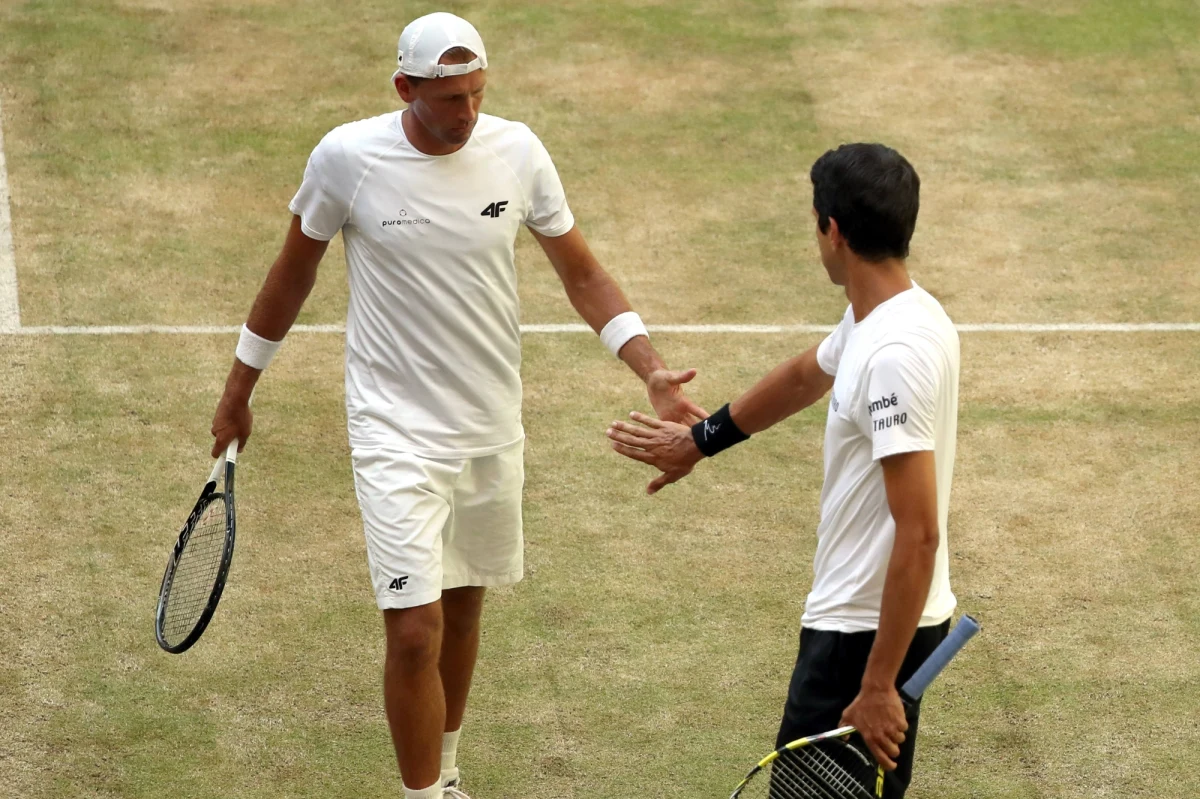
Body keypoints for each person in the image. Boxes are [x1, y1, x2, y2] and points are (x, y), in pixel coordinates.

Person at [208, 12, 705, 799]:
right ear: (405, 89)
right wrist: (238, 391)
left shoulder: (518, 151)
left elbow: (583, 274)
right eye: (448, 99)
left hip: (490, 426)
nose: (467, 114)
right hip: (393, 431)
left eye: (477, 94)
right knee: (414, 628)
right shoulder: (348, 159)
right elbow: (290, 275)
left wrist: (647, 366)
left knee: (465, 609)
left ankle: (448, 775)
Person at [606, 143, 960, 798]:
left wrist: (878, 684)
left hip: (865, 633)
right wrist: (699, 441)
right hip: (863, 621)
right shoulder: (888, 316)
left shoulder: (895, 351)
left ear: (833, 230)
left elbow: (919, 532)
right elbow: (806, 374)